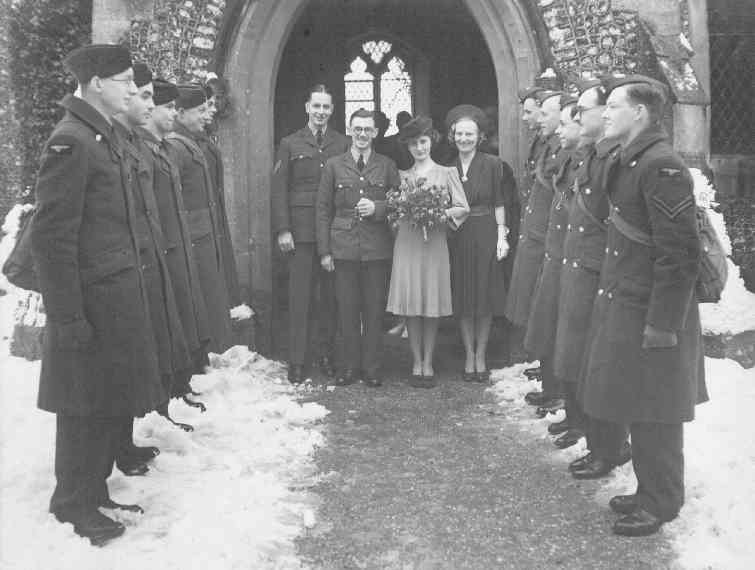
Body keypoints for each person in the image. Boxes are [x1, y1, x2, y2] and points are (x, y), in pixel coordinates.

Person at [30, 44, 166, 545]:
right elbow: (52, 237)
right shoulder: (72, 142)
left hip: (112, 297)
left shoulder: (99, 137)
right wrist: (66, 317)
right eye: (125, 81)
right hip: (87, 301)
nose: (133, 90)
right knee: (81, 405)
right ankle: (72, 504)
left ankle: (93, 492)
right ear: (96, 85)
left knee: (104, 397)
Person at [580, 75, 707, 536]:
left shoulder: (662, 165)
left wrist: (663, 324)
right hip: (629, 301)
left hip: (654, 312)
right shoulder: (631, 159)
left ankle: (662, 501)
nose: (606, 112)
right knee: (639, 401)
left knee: (658, 408)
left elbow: (680, 253)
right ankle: (648, 488)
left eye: (614, 105)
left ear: (641, 113)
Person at [112, 63, 195, 470]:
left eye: (145, 94)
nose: (142, 102)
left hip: (151, 259)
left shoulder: (138, 145)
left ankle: (125, 442)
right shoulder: (111, 144)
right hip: (125, 267)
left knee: (154, 342)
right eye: (139, 94)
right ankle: (111, 455)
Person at [551, 80, 630, 478]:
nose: (580, 116)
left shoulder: (616, 160)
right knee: (581, 357)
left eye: (586, 109)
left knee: (599, 364)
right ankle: (599, 441)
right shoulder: (591, 157)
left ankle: (610, 447)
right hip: (582, 268)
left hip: (601, 273)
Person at [137, 76, 212, 428]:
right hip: (161, 251)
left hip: (177, 246)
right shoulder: (148, 150)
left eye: (167, 105)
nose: (167, 112)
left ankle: (177, 388)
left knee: (183, 317)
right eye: (164, 106)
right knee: (169, 324)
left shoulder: (164, 149)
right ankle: (165, 398)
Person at [316, 108, 400, 387]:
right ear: (350, 131)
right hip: (343, 248)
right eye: (358, 129)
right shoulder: (333, 165)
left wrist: (378, 207)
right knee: (347, 310)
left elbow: (399, 205)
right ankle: (348, 367)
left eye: (368, 129)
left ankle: (372, 368)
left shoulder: (386, 165)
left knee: (374, 310)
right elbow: (323, 209)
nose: (362, 134)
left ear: (376, 133)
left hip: (377, 248)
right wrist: (325, 251)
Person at [271, 84, 349, 383]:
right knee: (300, 297)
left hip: (331, 232)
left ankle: (327, 355)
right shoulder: (290, 143)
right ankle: (297, 361)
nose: (320, 112)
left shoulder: (341, 143)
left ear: (332, 110)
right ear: (307, 108)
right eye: (316, 106)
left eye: (326, 107)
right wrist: (283, 229)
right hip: (301, 233)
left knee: (329, 299)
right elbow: (279, 190)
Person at [386, 116, 469, 387]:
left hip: (434, 242)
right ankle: (415, 361)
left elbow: (462, 207)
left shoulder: (447, 173)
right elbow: (393, 211)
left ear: (431, 141)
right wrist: (402, 211)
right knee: (411, 301)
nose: (419, 148)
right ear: (407, 147)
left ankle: (428, 362)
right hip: (408, 242)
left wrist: (438, 213)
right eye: (413, 144)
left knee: (430, 301)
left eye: (423, 142)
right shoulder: (402, 176)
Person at [523, 93, 582, 445]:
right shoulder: (561, 152)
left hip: (572, 258)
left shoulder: (580, 158)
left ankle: (575, 415)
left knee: (569, 338)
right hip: (556, 251)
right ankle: (567, 408)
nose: (556, 127)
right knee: (552, 326)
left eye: (560, 120)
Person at [446, 104, 516, 382]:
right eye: (460, 134)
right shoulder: (446, 166)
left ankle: (481, 356)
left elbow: (500, 202)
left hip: (486, 230)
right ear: (453, 136)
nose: (464, 139)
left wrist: (502, 235)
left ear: (479, 137)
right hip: (458, 233)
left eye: (470, 134)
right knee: (465, 297)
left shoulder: (492, 164)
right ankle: (468, 355)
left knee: (484, 297)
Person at [165, 84, 233, 354]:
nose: (209, 114)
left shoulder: (196, 141)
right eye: (202, 110)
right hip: (193, 239)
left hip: (205, 236)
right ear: (180, 113)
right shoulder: (176, 146)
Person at [505, 90, 563, 404]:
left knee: (548, 311)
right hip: (537, 235)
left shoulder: (560, 147)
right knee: (537, 308)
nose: (529, 118)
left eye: (534, 112)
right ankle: (547, 373)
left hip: (547, 240)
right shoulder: (543, 143)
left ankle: (554, 385)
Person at [196, 77, 240, 306]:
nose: (213, 110)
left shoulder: (206, 139)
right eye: (207, 105)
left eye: (215, 103)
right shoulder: (189, 144)